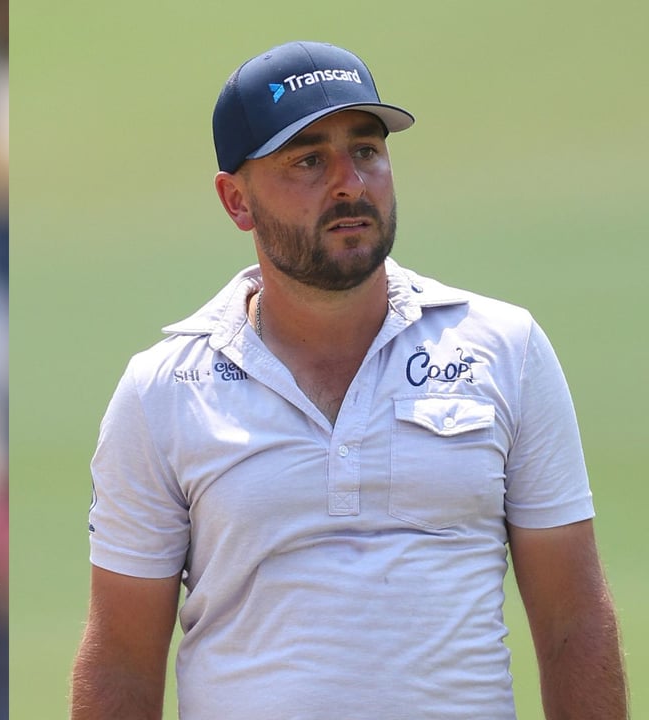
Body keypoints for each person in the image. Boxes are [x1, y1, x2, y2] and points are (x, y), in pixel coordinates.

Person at [70, 40, 627, 719]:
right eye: (309, 160)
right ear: (235, 201)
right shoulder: (162, 390)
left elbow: (576, 624)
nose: (351, 184)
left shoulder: (505, 348)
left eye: (366, 151)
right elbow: (121, 665)